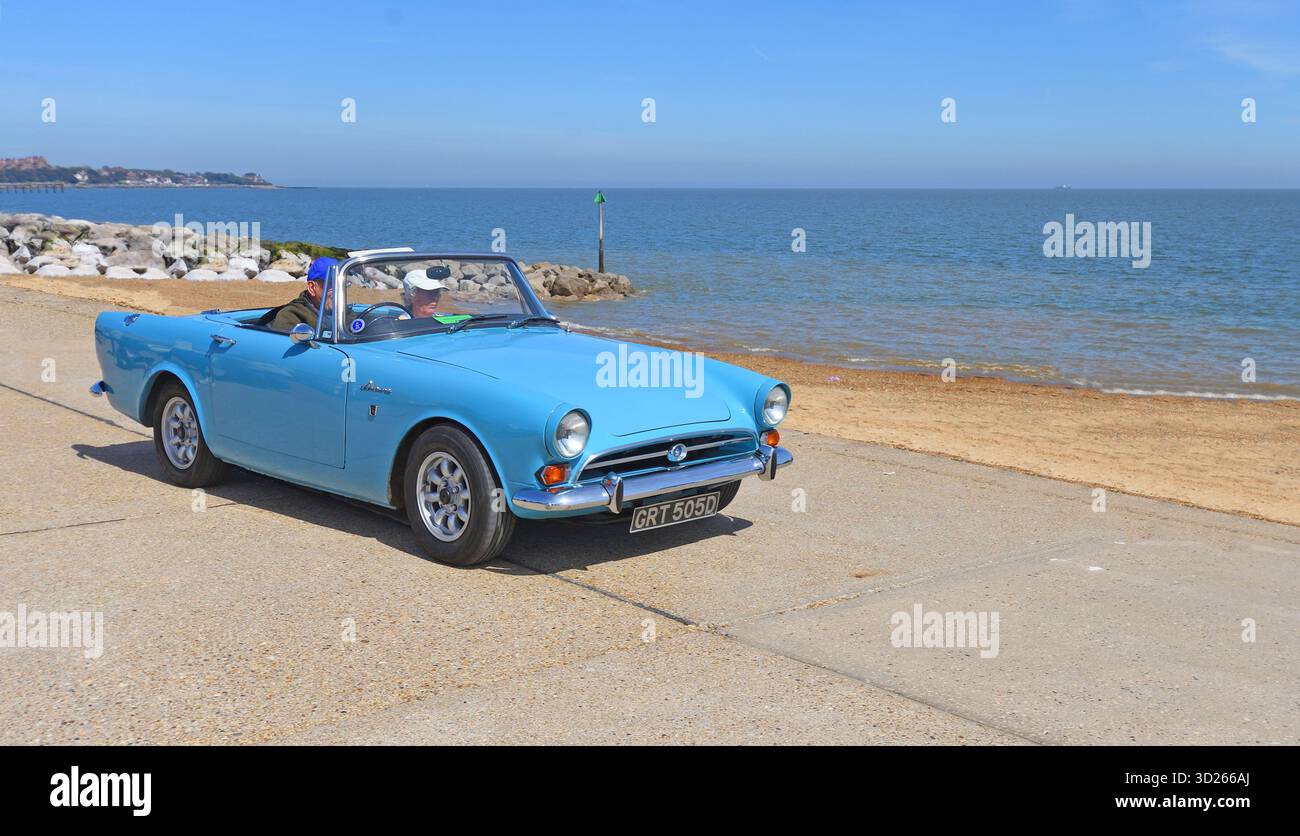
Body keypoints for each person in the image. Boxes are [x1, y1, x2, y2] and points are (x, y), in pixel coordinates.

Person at [267, 257, 337, 332]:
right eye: (331, 283)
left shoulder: (344, 313)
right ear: (312, 288)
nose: (338, 289)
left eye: (342, 283)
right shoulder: (291, 316)